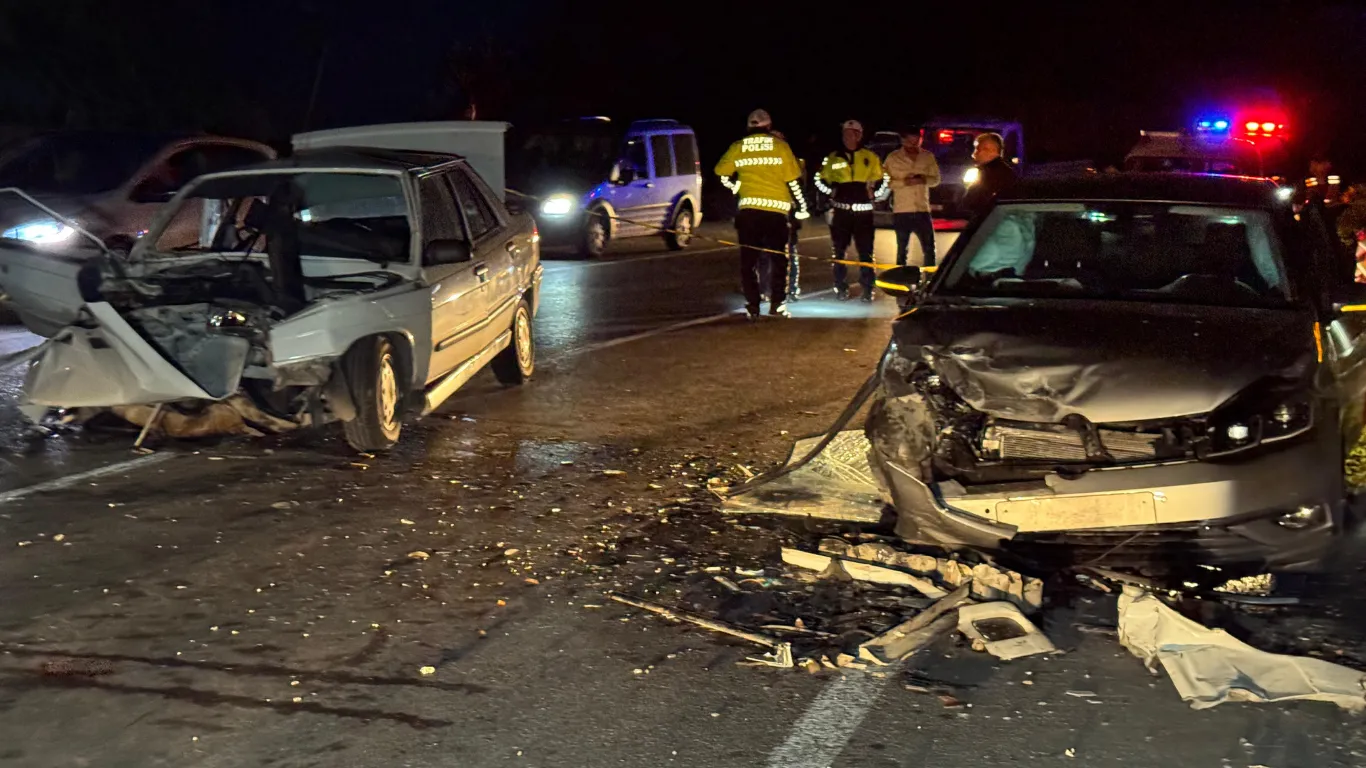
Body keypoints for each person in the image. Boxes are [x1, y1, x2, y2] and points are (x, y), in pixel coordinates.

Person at [714, 109, 809, 319]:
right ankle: (777, 304)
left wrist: (735, 186)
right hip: (776, 213)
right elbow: (793, 180)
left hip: (748, 213)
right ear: (768, 126)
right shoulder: (781, 147)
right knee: (779, 260)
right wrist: (802, 207)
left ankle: (754, 304)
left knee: (749, 261)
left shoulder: (738, 147)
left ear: (749, 126)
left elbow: (720, 172)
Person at [815, 120, 889, 301]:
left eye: (852, 134)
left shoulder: (870, 157)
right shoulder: (833, 157)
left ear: (859, 136)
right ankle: (841, 288)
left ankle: (867, 288)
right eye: (845, 134)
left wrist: (874, 195)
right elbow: (820, 180)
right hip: (841, 212)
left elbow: (883, 180)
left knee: (866, 252)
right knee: (839, 252)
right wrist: (831, 193)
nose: (848, 137)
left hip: (864, 213)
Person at [883, 126, 941, 267]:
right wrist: (904, 182)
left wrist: (923, 180)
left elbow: (936, 179)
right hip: (902, 210)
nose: (914, 145)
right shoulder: (893, 158)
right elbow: (885, 181)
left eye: (917, 141)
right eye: (910, 141)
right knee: (902, 249)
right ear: (903, 140)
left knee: (929, 248)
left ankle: (929, 278)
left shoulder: (927, 156)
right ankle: (900, 277)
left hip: (922, 209)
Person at [759, 130, 807, 301]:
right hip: (766, 212)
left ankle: (791, 289)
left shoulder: (793, 162)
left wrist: (799, 211)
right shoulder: (763, 163)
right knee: (763, 253)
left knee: (789, 253)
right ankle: (763, 289)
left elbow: (798, 188)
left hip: (788, 214)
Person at [960, 132, 1017, 220]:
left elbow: (975, 200)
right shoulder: (998, 171)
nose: (974, 154)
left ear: (991, 150)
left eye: (978, 149)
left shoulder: (992, 174)